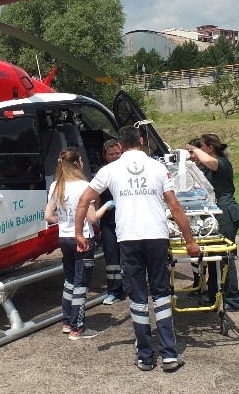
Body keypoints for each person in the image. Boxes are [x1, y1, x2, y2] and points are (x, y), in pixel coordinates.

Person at [75, 125, 200, 373]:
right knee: (161, 294)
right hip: (156, 236)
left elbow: (83, 200)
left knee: (138, 297)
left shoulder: (110, 170)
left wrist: (79, 233)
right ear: (141, 141)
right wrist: (190, 240)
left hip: (128, 239)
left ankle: (145, 356)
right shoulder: (158, 168)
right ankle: (169, 355)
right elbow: (174, 206)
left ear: (120, 145)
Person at [44, 146, 109, 340]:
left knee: (69, 280)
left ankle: (66, 321)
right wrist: (106, 206)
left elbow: (48, 216)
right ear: (76, 163)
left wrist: (65, 221)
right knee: (81, 283)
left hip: (64, 237)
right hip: (83, 237)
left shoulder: (56, 185)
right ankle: (77, 328)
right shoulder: (83, 186)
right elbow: (92, 218)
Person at [184, 133, 239, 312]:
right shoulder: (210, 167)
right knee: (212, 257)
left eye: (202, 147)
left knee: (225, 257)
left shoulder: (222, 163)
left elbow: (210, 162)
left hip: (226, 213)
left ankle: (233, 300)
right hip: (217, 214)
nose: (199, 150)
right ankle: (213, 293)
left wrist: (193, 148)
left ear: (210, 148)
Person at [97, 139, 126, 305]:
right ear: (105, 156)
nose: (115, 156)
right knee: (111, 256)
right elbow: (96, 197)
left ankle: (134, 285)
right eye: (111, 154)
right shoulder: (103, 172)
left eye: (118, 153)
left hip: (128, 220)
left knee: (131, 255)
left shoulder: (128, 170)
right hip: (109, 221)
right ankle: (114, 291)